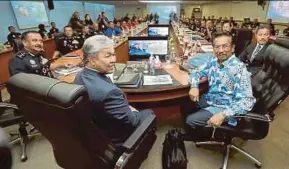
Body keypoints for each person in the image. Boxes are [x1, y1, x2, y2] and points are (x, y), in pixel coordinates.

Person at [74, 35, 154, 145]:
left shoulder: (80, 75)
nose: (114, 60)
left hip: (97, 129)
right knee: (149, 113)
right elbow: (132, 122)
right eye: (108, 56)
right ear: (92, 60)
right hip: (114, 137)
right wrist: (133, 110)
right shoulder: (110, 93)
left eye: (114, 55)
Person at [185, 31, 255, 141]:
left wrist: (223, 115)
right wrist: (194, 86)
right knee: (185, 101)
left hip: (225, 107)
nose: (221, 50)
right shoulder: (214, 61)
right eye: (217, 47)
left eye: (225, 46)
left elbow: (248, 101)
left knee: (190, 120)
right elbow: (196, 71)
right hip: (211, 99)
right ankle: (198, 131)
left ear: (232, 48)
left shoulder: (240, 70)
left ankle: (203, 136)